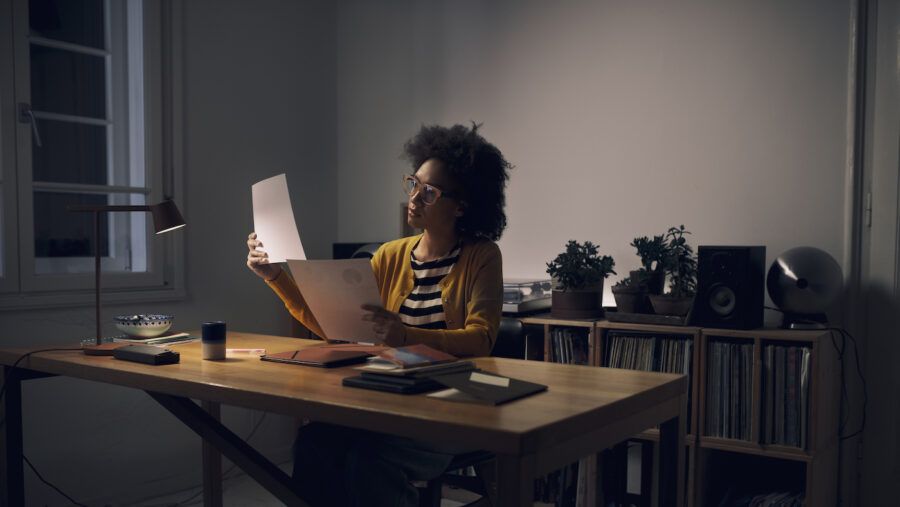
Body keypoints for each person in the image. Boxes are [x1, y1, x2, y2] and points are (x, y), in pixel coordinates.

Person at [245, 123, 512, 506]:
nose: (415, 198)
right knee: (314, 442)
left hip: (455, 401)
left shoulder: (481, 256)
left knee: (369, 462)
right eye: (413, 183)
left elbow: (480, 338)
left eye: (430, 192)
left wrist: (404, 336)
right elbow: (335, 326)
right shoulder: (390, 254)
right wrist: (273, 275)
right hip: (391, 394)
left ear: (461, 206)